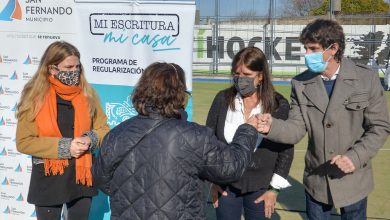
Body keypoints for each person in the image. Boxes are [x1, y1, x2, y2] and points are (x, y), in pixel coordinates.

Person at [92, 62, 262, 220]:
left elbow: (101, 178)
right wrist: (247, 130)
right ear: (179, 95)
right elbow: (230, 168)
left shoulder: (116, 134)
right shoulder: (196, 136)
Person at [258, 19, 390, 220]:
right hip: (317, 181)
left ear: (333, 48)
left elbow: (379, 127)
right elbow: (296, 127)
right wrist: (272, 127)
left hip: (354, 178)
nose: (307, 55)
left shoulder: (366, 79)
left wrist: (354, 157)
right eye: (306, 48)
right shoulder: (300, 83)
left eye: (313, 49)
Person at [16, 41, 110, 220]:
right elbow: (24, 141)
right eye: (68, 67)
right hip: (49, 177)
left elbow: (103, 128)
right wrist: (66, 147)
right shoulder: (34, 97)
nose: (74, 72)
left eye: (77, 67)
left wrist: (90, 139)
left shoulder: (87, 94)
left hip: (81, 176)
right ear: (52, 69)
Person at [206, 47, 294, 220]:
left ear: (260, 76)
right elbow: (209, 141)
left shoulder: (277, 105)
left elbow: (286, 149)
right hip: (225, 185)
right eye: (237, 73)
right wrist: (213, 181)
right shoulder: (222, 99)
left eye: (247, 74)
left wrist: (274, 190)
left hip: (261, 187)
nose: (240, 79)